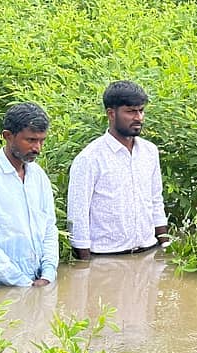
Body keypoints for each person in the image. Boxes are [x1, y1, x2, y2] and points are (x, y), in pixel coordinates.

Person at [67, 80, 168, 260]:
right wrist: (84, 265)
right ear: (111, 114)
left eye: (141, 110)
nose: (138, 118)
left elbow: (155, 199)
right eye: (130, 111)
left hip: (148, 253)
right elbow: (78, 215)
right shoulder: (90, 158)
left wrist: (165, 243)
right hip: (107, 258)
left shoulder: (149, 152)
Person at [0, 102, 58, 287]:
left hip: (40, 281)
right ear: (8, 136)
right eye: (30, 140)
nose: (37, 148)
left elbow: (49, 228)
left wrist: (48, 273)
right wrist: (22, 282)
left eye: (41, 140)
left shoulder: (38, 176)